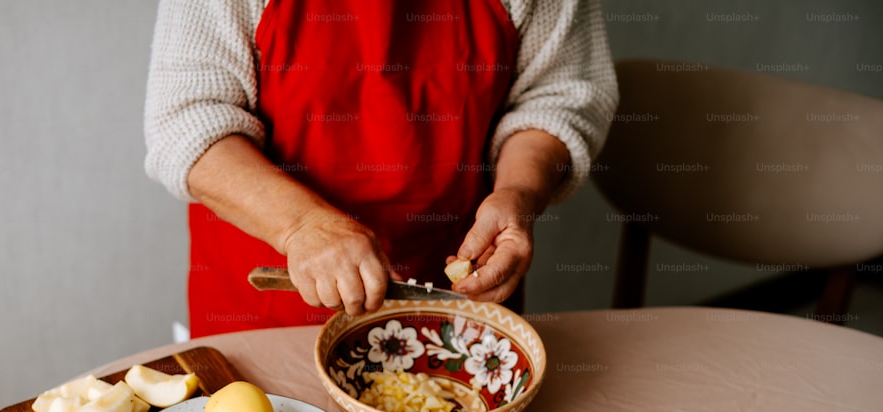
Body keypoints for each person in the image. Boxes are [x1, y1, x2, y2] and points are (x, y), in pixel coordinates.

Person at [144, 0, 618, 337]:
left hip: (457, 305)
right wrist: (302, 225)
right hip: (265, 312)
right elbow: (188, 121)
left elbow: (558, 99)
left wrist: (519, 193)